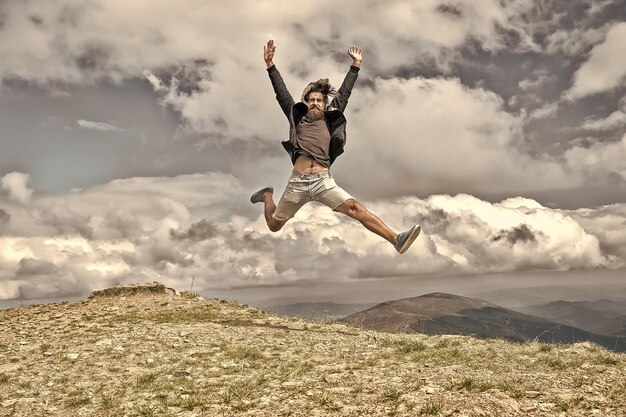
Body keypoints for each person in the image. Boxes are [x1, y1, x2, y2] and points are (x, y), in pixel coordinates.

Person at [250, 39, 420, 254]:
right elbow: (281, 93)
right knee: (274, 226)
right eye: (310, 100)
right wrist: (270, 65)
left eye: (318, 100)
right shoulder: (297, 117)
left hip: (322, 182)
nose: (314, 103)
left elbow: (345, 93)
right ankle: (267, 196)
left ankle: (396, 239)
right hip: (297, 183)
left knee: (355, 208)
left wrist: (355, 66)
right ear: (306, 102)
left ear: (324, 103)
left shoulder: (331, 119)